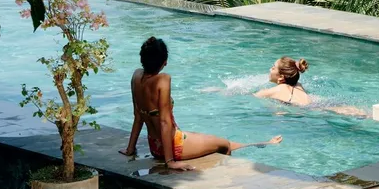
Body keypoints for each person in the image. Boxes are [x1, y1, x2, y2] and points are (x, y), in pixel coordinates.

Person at [120, 37, 281, 169]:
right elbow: (164, 122)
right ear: (164, 62)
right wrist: (170, 162)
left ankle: (263, 143)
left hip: (155, 147)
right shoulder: (163, 79)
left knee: (220, 141)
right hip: (174, 145)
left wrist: (130, 148)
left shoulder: (136, 76)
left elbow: (138, 116)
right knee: (224, 145)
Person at [255, 57, 367, 117]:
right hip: (314, 103)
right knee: (339, 109)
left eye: (273, 68)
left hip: (305, 109)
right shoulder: (298, 85)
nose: (270, 69)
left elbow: (255, 96)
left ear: (281, 77)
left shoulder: (274, 90)